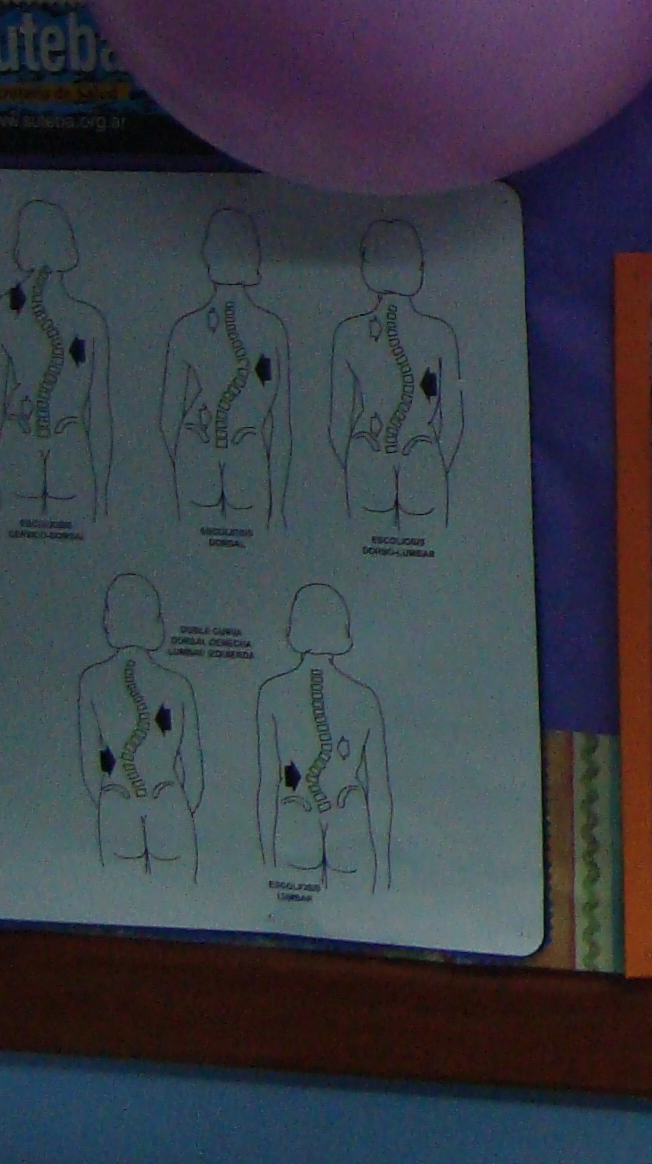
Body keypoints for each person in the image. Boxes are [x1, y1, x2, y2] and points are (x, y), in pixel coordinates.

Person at [157, 207, 294, 528]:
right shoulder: (270, 329)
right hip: (243, 447)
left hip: (200, 444)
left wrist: (186, 459)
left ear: (208, 254)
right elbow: (280, 426)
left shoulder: (187, 329)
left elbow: (168, 419)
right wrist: (277, 512)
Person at [327, 221, 464, 532]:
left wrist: (358, 466)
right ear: (418, 266)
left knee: (366, 549)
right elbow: (453, 422)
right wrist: (433, 465)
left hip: (368, 450)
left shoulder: (348, 334)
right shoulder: (439, 334)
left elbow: (338, 425)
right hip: (421, 450)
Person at [256, 582, 390, 892]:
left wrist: (266, 861)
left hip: (296, 815)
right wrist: (383, 868)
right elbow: (379, 789)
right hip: (347, 816)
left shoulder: (273, 694)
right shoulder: (363, 698)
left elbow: (269, 783)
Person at [0, 199, 115, 523]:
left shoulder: (6, 312)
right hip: (64, 441)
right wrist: (101, 497)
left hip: (26, 442)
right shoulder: (87, 320)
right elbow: (99, 413)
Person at [76, 573, 203, 877]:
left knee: (119, 892)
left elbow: (92, 762)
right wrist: (175, 807)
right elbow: (194, 772)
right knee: (178, 896)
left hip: (117, 800)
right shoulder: (177, 685)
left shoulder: (93, 681)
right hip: (167, 798)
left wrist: (109, 800)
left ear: (110, 620)